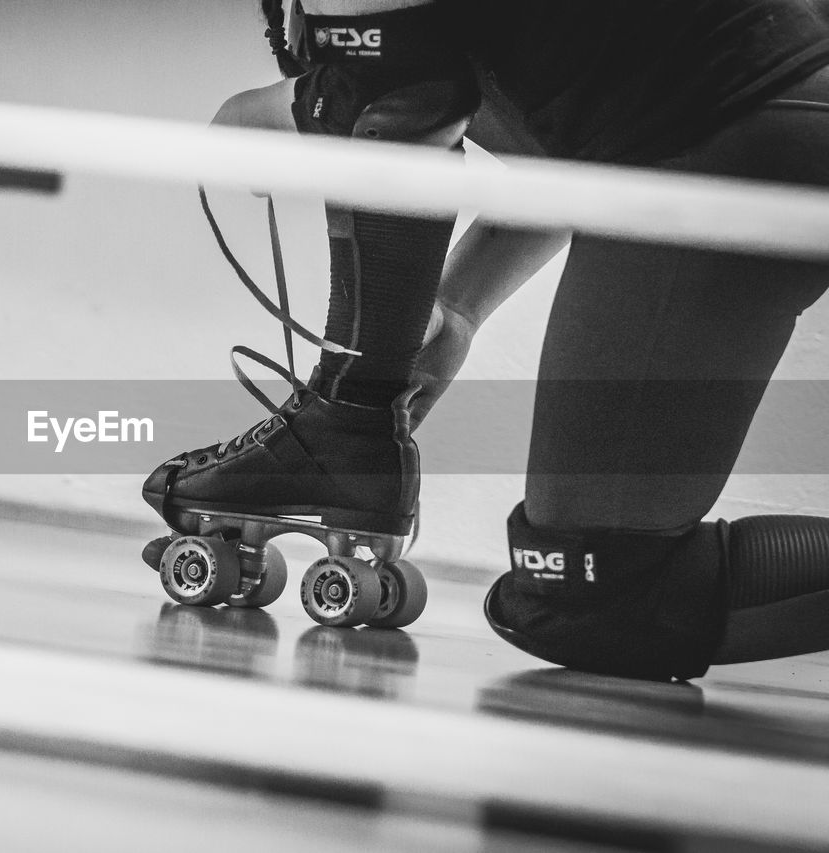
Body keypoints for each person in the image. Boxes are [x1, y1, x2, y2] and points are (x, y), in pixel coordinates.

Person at [144, 0, 829, 679]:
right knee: (583, 581)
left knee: (596, 595)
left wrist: (260, 112)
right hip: (750, 114)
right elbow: (573, 135)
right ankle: (341, 433)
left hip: (736, 126)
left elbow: (395, 109)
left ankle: (338, 434)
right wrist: (458, 306)